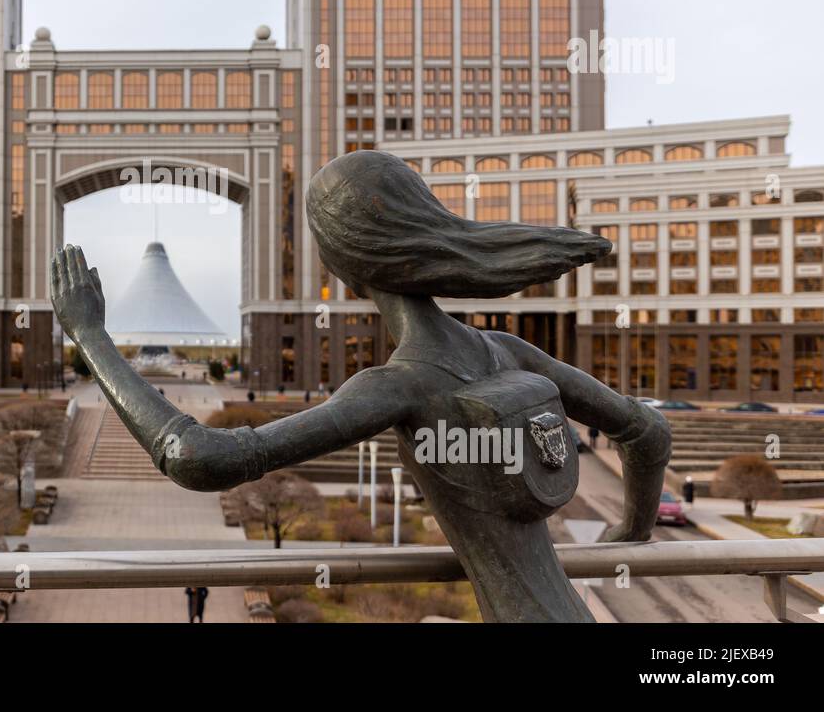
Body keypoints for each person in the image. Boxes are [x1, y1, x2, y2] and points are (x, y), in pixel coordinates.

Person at [51, 150, 671, 623]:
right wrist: (631, 530)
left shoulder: (400, 385)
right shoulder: (504, 350)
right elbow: (647, 431)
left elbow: (199, 457)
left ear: (342, 264)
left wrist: (90, 334)